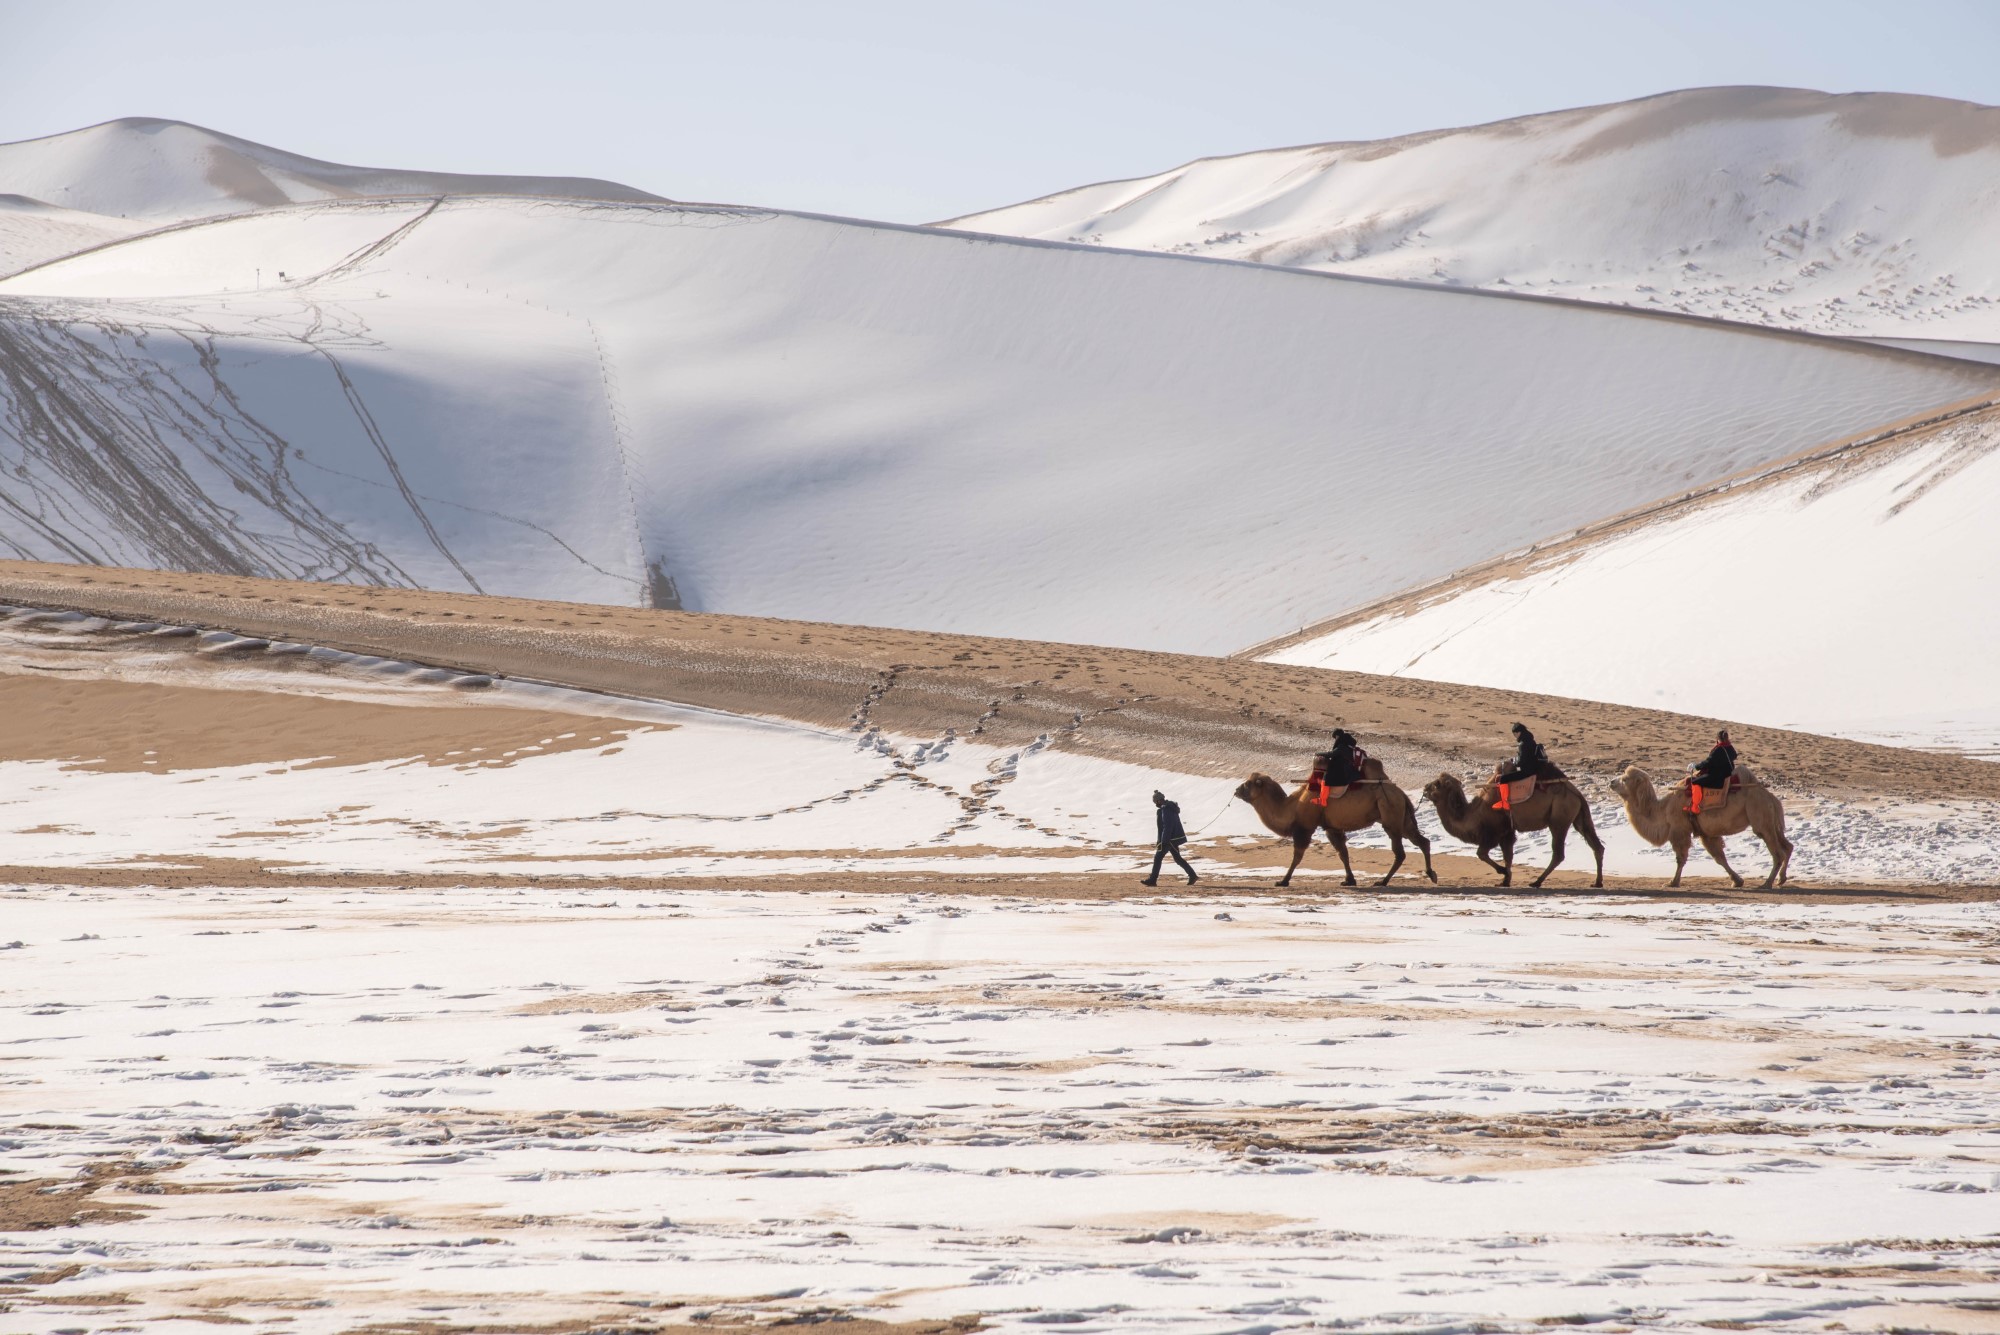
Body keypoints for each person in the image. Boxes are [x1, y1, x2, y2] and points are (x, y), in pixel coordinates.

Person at [1141, 789, 1198, 886]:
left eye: (1155, 802)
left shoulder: (1165, 809)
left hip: (1168, 840)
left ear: (1159, 800)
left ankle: (1153, 880)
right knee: (1177, 858)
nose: (1155, 804)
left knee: (1158, 858)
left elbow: (1167, 826)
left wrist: (1164, 840)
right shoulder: (1169, 807)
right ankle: (1192, 875)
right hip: (1172, 839)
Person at [1686, 729, 1738, 813]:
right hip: (1727, 776)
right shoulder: (1730, 748)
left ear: (1718, 739)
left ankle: (1695, 807)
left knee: (1695, 782)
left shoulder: (1719, 750)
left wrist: (1696, 766)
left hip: (1717, 777)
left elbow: (1709, 762)